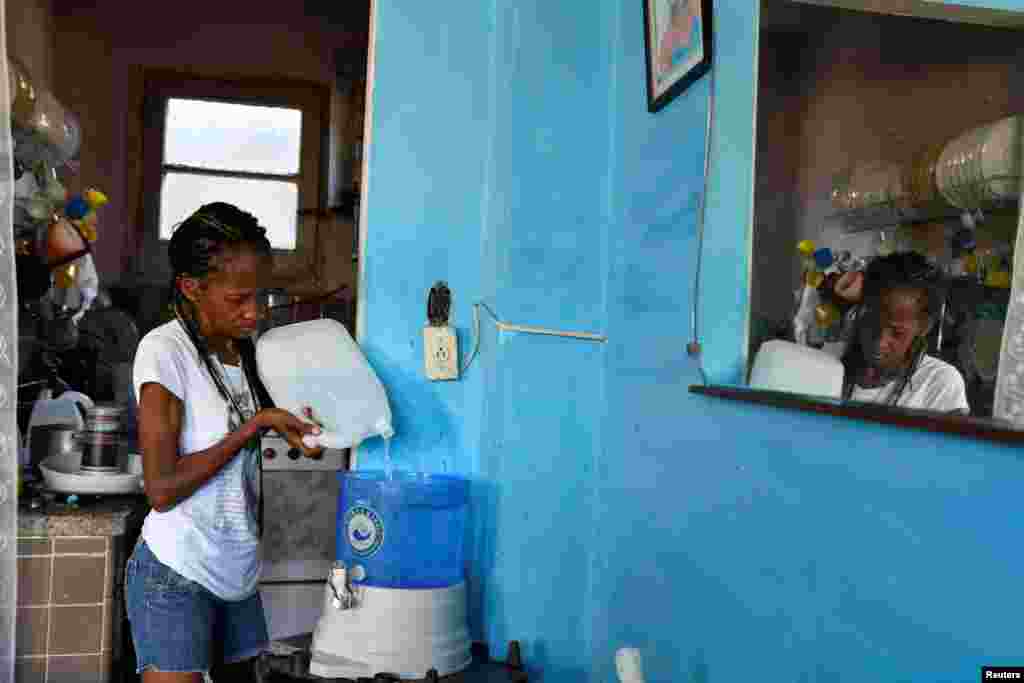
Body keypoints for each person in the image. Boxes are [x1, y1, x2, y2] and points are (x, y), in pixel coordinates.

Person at [126, 203, 322, 682]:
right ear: (193, 288)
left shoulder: (250, 352)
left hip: (237, 572)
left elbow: (271, 431)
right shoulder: (165, 352)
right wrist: (253, 427)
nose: (255, 312)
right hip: (176, 571)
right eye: (239, 299)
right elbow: (162, 489)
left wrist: (310, 428)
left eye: (262, 296)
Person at [834, 251, 969, 414]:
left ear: (923, 327)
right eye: (870, 323)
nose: (880, 341)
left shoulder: (939, 382)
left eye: (897, 332)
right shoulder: (830, 366)